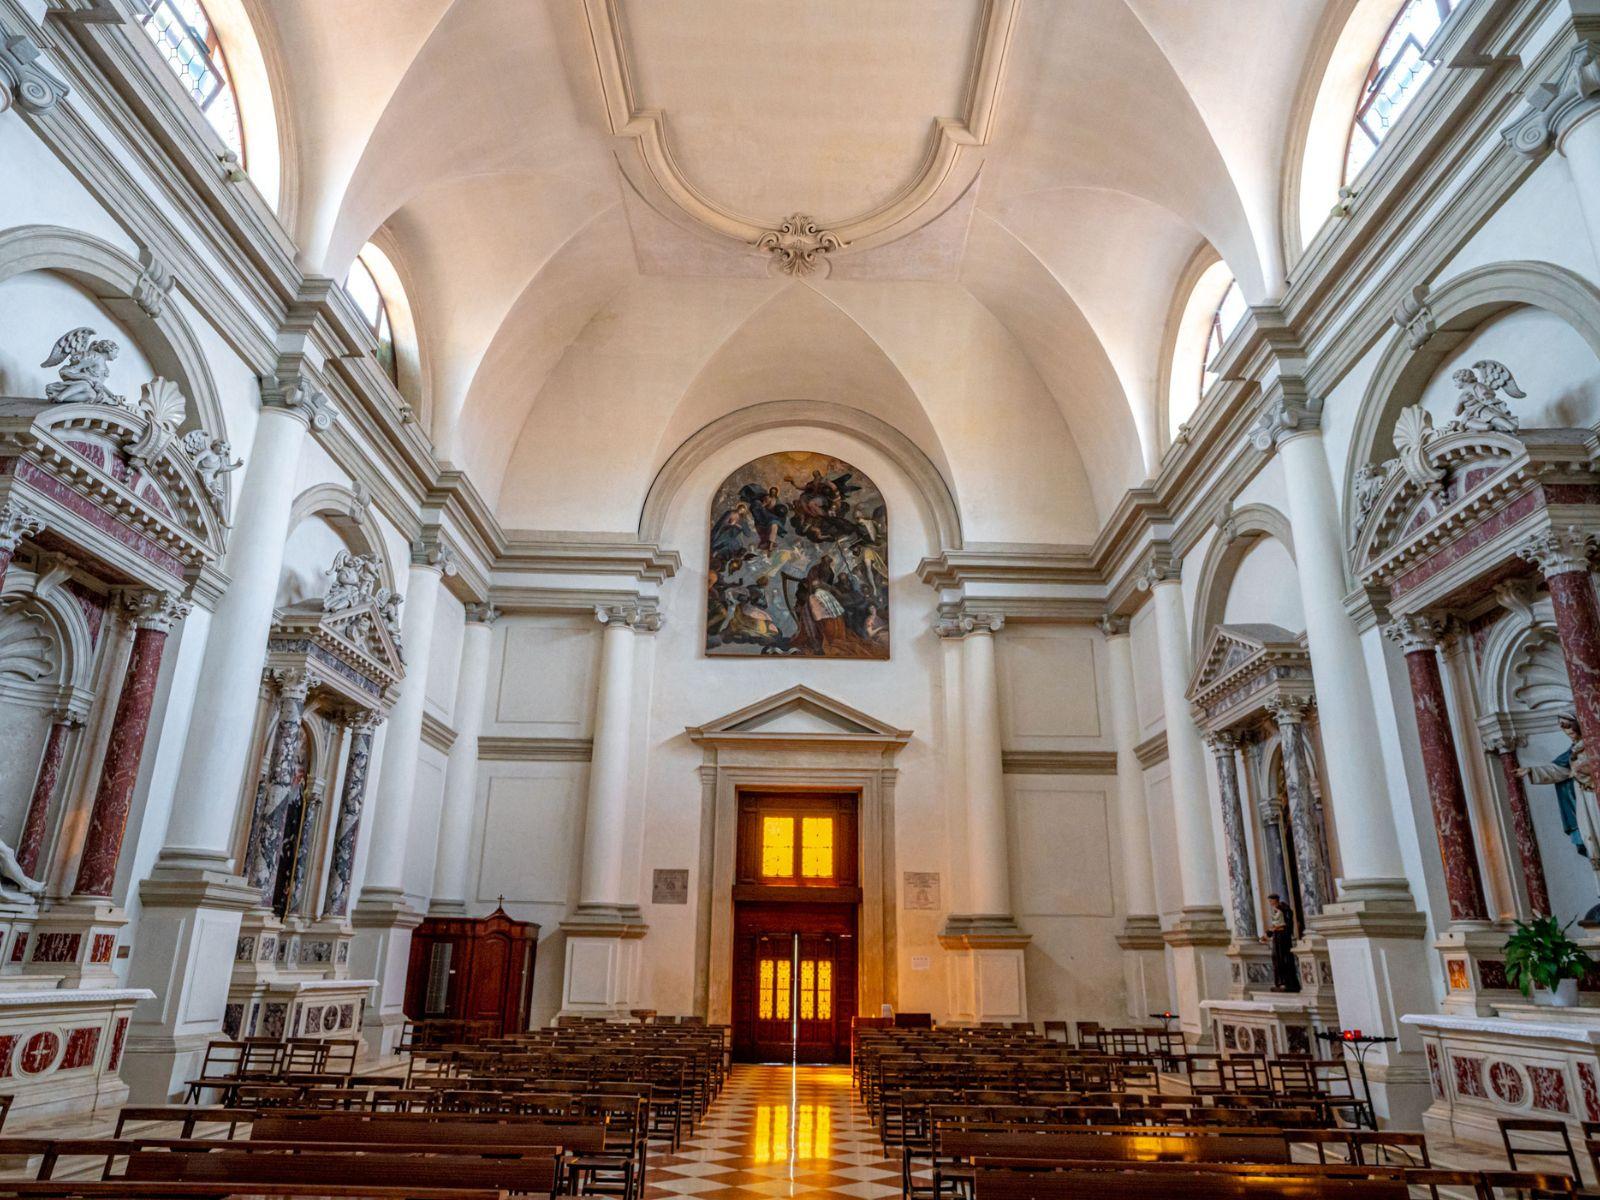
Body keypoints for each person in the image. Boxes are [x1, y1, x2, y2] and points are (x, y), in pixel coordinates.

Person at [1517, 713, 1592, 857]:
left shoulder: (1592, 745)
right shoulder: (1572, 752)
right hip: (1582, 799)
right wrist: (1531, 770)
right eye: (1562, 726)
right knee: (1590, 838)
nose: (1567, 730)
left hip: (1591, 797)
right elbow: (1558, 770)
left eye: (1568, 725)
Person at [1261, 893, 1299, 993]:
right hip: (1277, 938)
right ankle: (1280, 982)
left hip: (1283, 938)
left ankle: (1286, 983)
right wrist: (1268, 934)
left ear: (1275, 900)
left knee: (1283, 959)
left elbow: (1283, 925)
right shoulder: (1277, 910)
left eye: (1271, 900)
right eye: (1269, 901)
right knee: (1276, 958)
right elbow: (1275, 925)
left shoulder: (1284, 910)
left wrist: (1270, 932)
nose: (1270, 903)